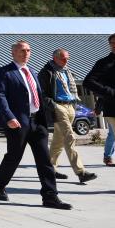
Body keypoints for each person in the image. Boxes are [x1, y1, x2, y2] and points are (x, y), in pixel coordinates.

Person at [0, 41, 72, 211]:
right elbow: (0, 95)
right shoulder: (5, 72)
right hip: (18, 123)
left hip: (38, 122)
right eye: (22, 50)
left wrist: (51, 114)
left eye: (28, 50)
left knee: (45, 160)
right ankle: (0, 185)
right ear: (13, 52)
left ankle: (50, 196)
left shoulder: (32, 71)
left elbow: (40, 95)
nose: (26, 53)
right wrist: (9, 117)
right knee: (14, 157)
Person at [38, 49, 97, 183]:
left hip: (70, 106)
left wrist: (73, 105)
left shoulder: (67, 71)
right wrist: (54, 106)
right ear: (54, 58)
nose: (66, 61)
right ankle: (81, 172)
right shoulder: (46, 72)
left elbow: (70, 90)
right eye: (63, 58)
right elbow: (42, 93)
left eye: (67, 58)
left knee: (58, 141)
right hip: (58, 107)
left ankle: (50, 169)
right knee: (69, 137)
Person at [84, 32, 115, 167]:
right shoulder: (104, 63)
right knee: (112, 135)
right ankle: (108, 156)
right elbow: (88, 82)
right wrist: (112, 93)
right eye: (113, 43)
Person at [97, 98, 115, 166]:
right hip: (112, 112)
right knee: (113, 135)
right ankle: (107, 157)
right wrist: (98, 108)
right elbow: (102, 94)